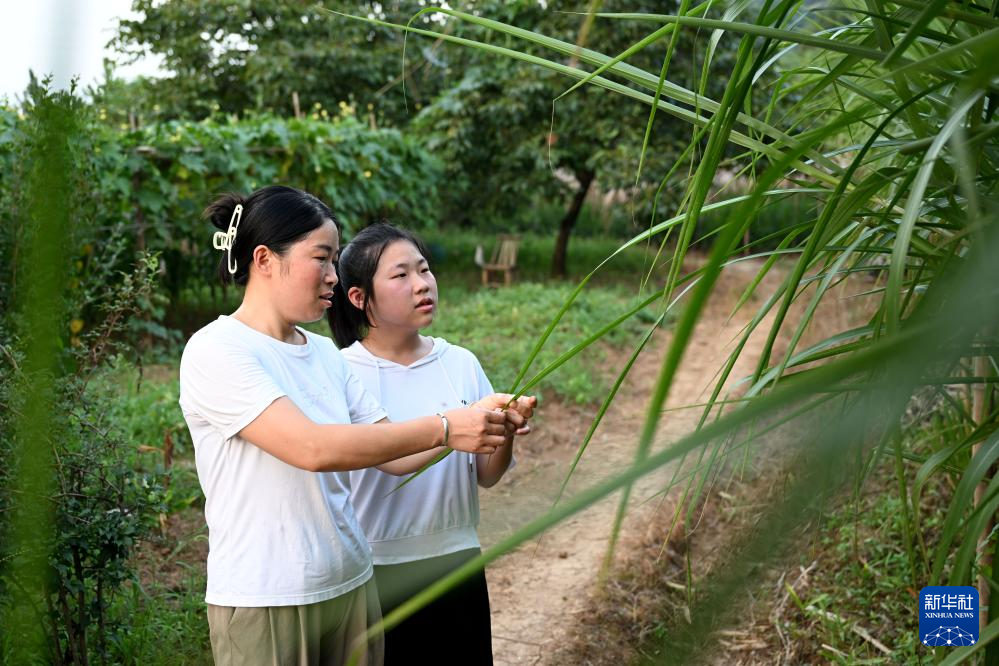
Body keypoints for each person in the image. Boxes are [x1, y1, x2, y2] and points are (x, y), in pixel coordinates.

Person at [178, 186, 534, 666]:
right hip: (270, 595)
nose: (332, 275)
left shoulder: (323, 353)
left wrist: (487, 419)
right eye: (322, 259)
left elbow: (396, 455)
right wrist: (448, 427)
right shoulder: (218, 350)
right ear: (264, 259)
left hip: (352, 585)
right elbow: (312, 448)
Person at [328, 222, 531, 665]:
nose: (422, 285)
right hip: (377, 570)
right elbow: (377, 455)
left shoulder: (458, 363)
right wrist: (453, 427)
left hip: (456, 559)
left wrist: (504, 429)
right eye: (400, 276)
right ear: (360, 298)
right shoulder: (341, 372)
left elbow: (489, 476)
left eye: (424, 269)